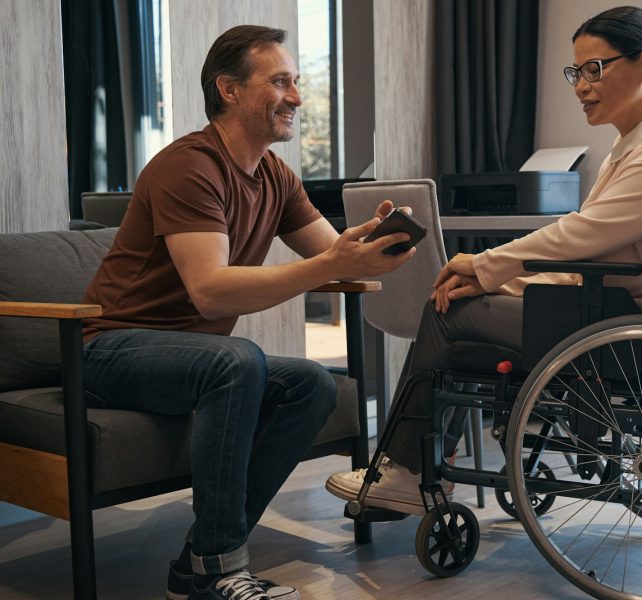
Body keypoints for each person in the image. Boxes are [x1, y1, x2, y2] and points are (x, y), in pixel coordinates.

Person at [326, 5, 642, 515]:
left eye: (595, 68)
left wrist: (485, 267)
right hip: (613, 310)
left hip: (621, 326)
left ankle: (409, 470)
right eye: (576, 72)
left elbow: (582, 235)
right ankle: (422, 463)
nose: (582, 85)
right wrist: (500, 281)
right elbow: (594, 247)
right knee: (463, 299)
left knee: (447, 312)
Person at [81, 25, 415, 600]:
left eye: (297, 82)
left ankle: (198, 560)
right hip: (111, 348)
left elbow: (331, 258)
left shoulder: (276, 175)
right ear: (229, 90)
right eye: (280, 82)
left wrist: (366, 247)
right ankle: (218, 569)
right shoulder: (189, 166)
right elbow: (209, 291)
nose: (296, 97)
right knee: (236, 362)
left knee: (311, 383)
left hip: (192, 357)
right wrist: (331, 262)